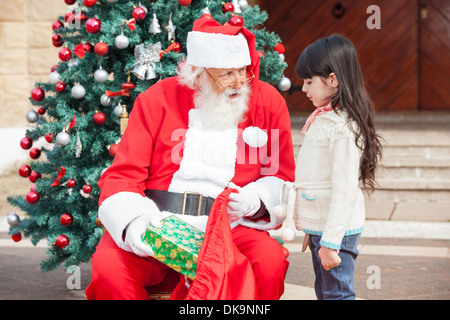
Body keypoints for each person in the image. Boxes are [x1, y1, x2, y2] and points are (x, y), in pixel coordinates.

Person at [85, 17, 295, 300]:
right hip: (158, 219)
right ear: (199, 74)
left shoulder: (267, 102)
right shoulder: (156, 99)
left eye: (243, 71)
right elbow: (123, 175)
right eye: (227, 74)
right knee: (109, 269)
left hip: (231, 228)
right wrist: (137, 222)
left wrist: (255, 200)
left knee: (268, 263)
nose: (239, 83)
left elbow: (280, 175)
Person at [280, 34, 382, 300]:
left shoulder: (342, 128)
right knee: (325, 292)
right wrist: (313, 228)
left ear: (333, 80)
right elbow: (317, 179)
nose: (303, 89)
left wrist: (330, 241)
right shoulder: (325, 119)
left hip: (336, 233)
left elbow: (344, 190)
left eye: (309, 81)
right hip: (323, 229)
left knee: (337, 294)